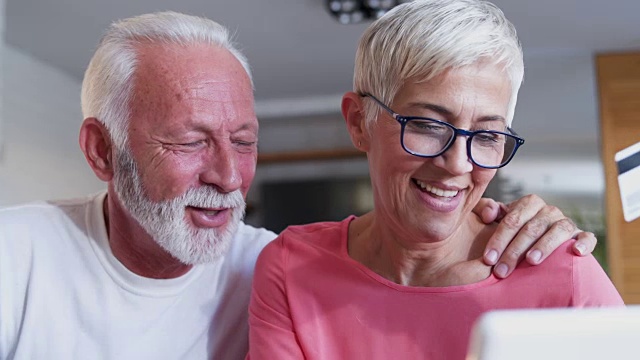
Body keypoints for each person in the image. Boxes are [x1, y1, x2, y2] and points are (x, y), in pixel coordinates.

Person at [0, 10, 597, 360]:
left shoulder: (261, 261)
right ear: (101, 151)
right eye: (189, 143)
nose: (229, 178)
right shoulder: (15, 257)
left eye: (244, 141)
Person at [246, 1, 624, 359]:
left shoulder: (563, 272)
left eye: (487, 135)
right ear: (359, 123)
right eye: (427, 126)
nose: (458, 164)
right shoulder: (292, 269)